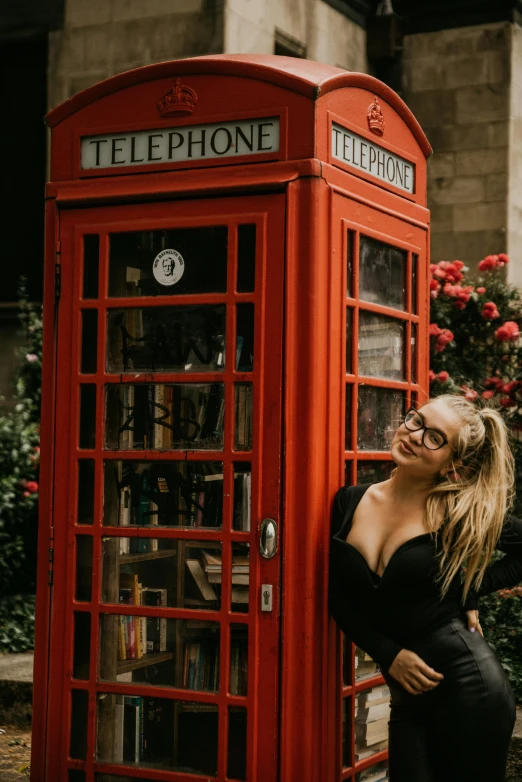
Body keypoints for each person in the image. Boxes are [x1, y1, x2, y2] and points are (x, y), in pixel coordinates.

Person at [329, 394, 522, 782]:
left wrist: (467, 589)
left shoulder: (453, 513)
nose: (415, 435)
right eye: (417, 421)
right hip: (406, 695)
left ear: (454, 464)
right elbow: (335, 596)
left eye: (435, 438)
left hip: (470, 689)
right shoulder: (348, 501)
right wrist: (389, 653)